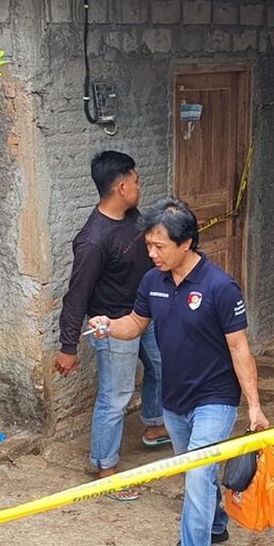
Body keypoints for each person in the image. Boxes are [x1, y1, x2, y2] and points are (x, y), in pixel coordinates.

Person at [87, 198, 269, 546]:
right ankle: (217, 523)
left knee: (195, 476)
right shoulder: (153, 281)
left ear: (186, 243)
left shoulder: (220, 288)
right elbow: (135, 324)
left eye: (159, 246)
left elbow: (240, 349)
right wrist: (107, 326)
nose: (152, 254)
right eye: (149, 246)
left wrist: (254, 406)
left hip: (215, 399)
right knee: (200, 476)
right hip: (175, 400)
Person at [56, 151, 169, 502]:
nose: (139, 186)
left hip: (144, 312)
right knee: (115, 396)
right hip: (112, 324)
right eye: (136, 181)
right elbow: (76, 296)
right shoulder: (93, 241)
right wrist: (68, 347)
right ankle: (105, 469)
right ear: (121, 187)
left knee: (164, 366)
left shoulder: (133, 217)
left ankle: (154, 424)